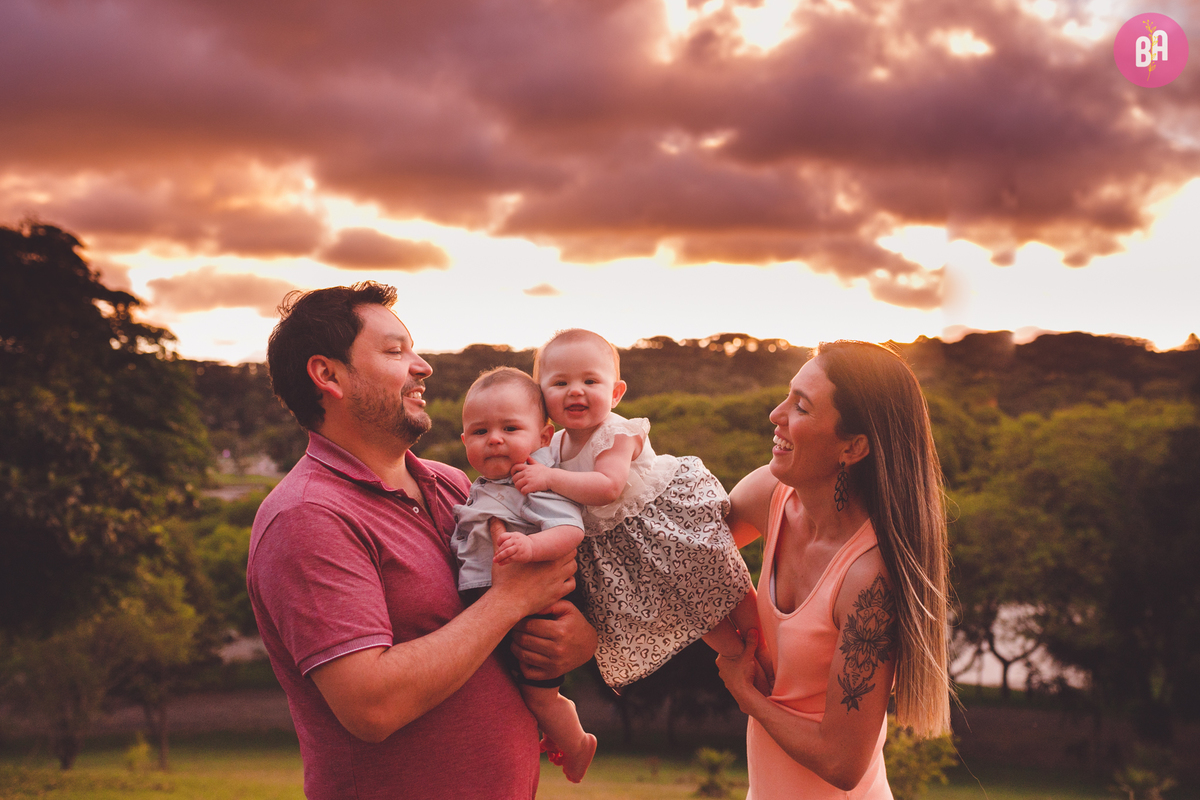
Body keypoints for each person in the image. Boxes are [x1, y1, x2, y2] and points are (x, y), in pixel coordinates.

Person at [246, 282, 597, 800]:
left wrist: (576, 637)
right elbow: (372, 707)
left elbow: (532, 611)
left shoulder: (455, 484)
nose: (422, 365)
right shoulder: (308, 516)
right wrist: (510, 600)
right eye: (395, 351)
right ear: (328, 375)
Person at [715, 340, 952, 798]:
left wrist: (748, 696)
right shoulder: (771, 494)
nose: (775, 414)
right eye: (787, 395)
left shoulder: (869, 578)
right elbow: (682, 562)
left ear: (854, 446)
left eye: (800, 407)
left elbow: (843, 762)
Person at [510, 328, 758, 689]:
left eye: (590, 380)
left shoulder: (616, 433)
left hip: (667, 531)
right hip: (631, 556)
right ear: (540, 396)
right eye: (560, 382)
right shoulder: (554, 446)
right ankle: (742, 664)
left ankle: (769, 647)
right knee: (697, 615)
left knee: (728, 587)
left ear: (615, 393)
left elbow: (607, 487)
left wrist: (548, 478)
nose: (575, 390)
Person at [451, 367, 597, 782]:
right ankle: (553, 727)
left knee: (540, 694)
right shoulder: (480, 487)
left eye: (510, 428)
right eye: (479, 432)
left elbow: (571, 531)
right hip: (491, 602)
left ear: (544, 436)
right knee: (513, 687)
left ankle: (576, 743)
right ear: (465, 443)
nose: (494, 438)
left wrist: (531, 547)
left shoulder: (537, 485)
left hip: (540, 609)